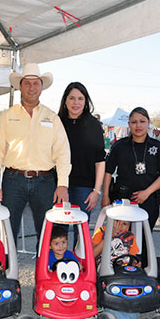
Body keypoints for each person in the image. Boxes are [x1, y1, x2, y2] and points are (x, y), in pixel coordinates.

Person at [0, 63, 71, 246]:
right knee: (7, 231)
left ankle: (44, 273)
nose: (32, 88)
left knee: (48, 233)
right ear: (20, 86)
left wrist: (63, 183)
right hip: (13, 180)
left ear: (41, 87)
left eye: (36, 84)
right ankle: (8, 272)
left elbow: (63, 152)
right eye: (27, 83)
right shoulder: (7, 117)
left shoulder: (52, 117)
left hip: (45, 182)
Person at [102, 107, 160, 264]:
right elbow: (108, 171)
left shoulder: (158, 147)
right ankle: (116, 268)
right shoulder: (119, 146)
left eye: (142, 121)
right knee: (119, 236)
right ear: (129, 124)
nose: (138, 125)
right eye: (134, 122)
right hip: (122, 200)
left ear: (149, 123)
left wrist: (146, 192)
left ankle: (143, 270)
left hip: (148, 200)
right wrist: (105, 196)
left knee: (144, 238)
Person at [58, 82, 105, 247]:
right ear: (65, 100)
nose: (75, 103)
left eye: (80, 98)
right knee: (58, 230)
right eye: (71, 98)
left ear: (86, 101)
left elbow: (100, 161)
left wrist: (96, 191)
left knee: (81, 233)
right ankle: (58, 266)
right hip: (60, 185)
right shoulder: (57, 123)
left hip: (85, 187)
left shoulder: (93, 125)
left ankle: (79, 266)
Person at [91, 219, 148, 319]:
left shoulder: (130, 238)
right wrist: (107, 239)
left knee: (135, 309)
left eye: (125, 224)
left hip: (125, 276)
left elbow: (132, 258)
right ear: (110, 221)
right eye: (116, 222)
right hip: (106, 276)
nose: (120, 227)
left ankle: (113, 314)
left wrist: (135, 265)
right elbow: (91, 254)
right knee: (114, 302)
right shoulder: (101, 232)